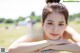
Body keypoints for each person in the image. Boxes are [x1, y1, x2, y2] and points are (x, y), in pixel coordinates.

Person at [8, 0, 80, 53]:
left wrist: (54, 46)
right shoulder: (38, 33)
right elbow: (12, 49)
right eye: (50, 23)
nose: (55, 29)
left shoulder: (66, 31)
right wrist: (48, 42)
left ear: (66, 25)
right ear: (42, 24)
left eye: (60, 24)